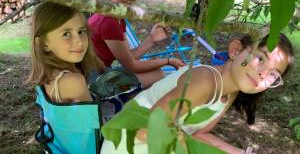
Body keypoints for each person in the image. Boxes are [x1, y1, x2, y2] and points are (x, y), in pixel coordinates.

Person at [100, 33, 294, 154]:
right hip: (128, 143)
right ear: (236, 51)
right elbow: (148, 128)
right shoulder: (205, 81)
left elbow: (199, 134)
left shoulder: (230, 92)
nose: (263, 73)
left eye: (273, 74)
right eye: (260, 58)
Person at [25, 2, 106, 153]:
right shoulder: (73, 81)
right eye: (66, 34)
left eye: (81, 31)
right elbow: (97, 127)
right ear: (43, 43)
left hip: (61, 146)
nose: (79, 41)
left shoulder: (45, 76)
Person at [88, 0, 185, 88]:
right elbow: (131, 65)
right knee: (156, 75)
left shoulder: (117, 16)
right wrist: (168, 61)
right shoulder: (107, 21)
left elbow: (129, 57)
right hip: (90, 80)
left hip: (102, 72)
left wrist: (152, 39)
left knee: (156, 74)